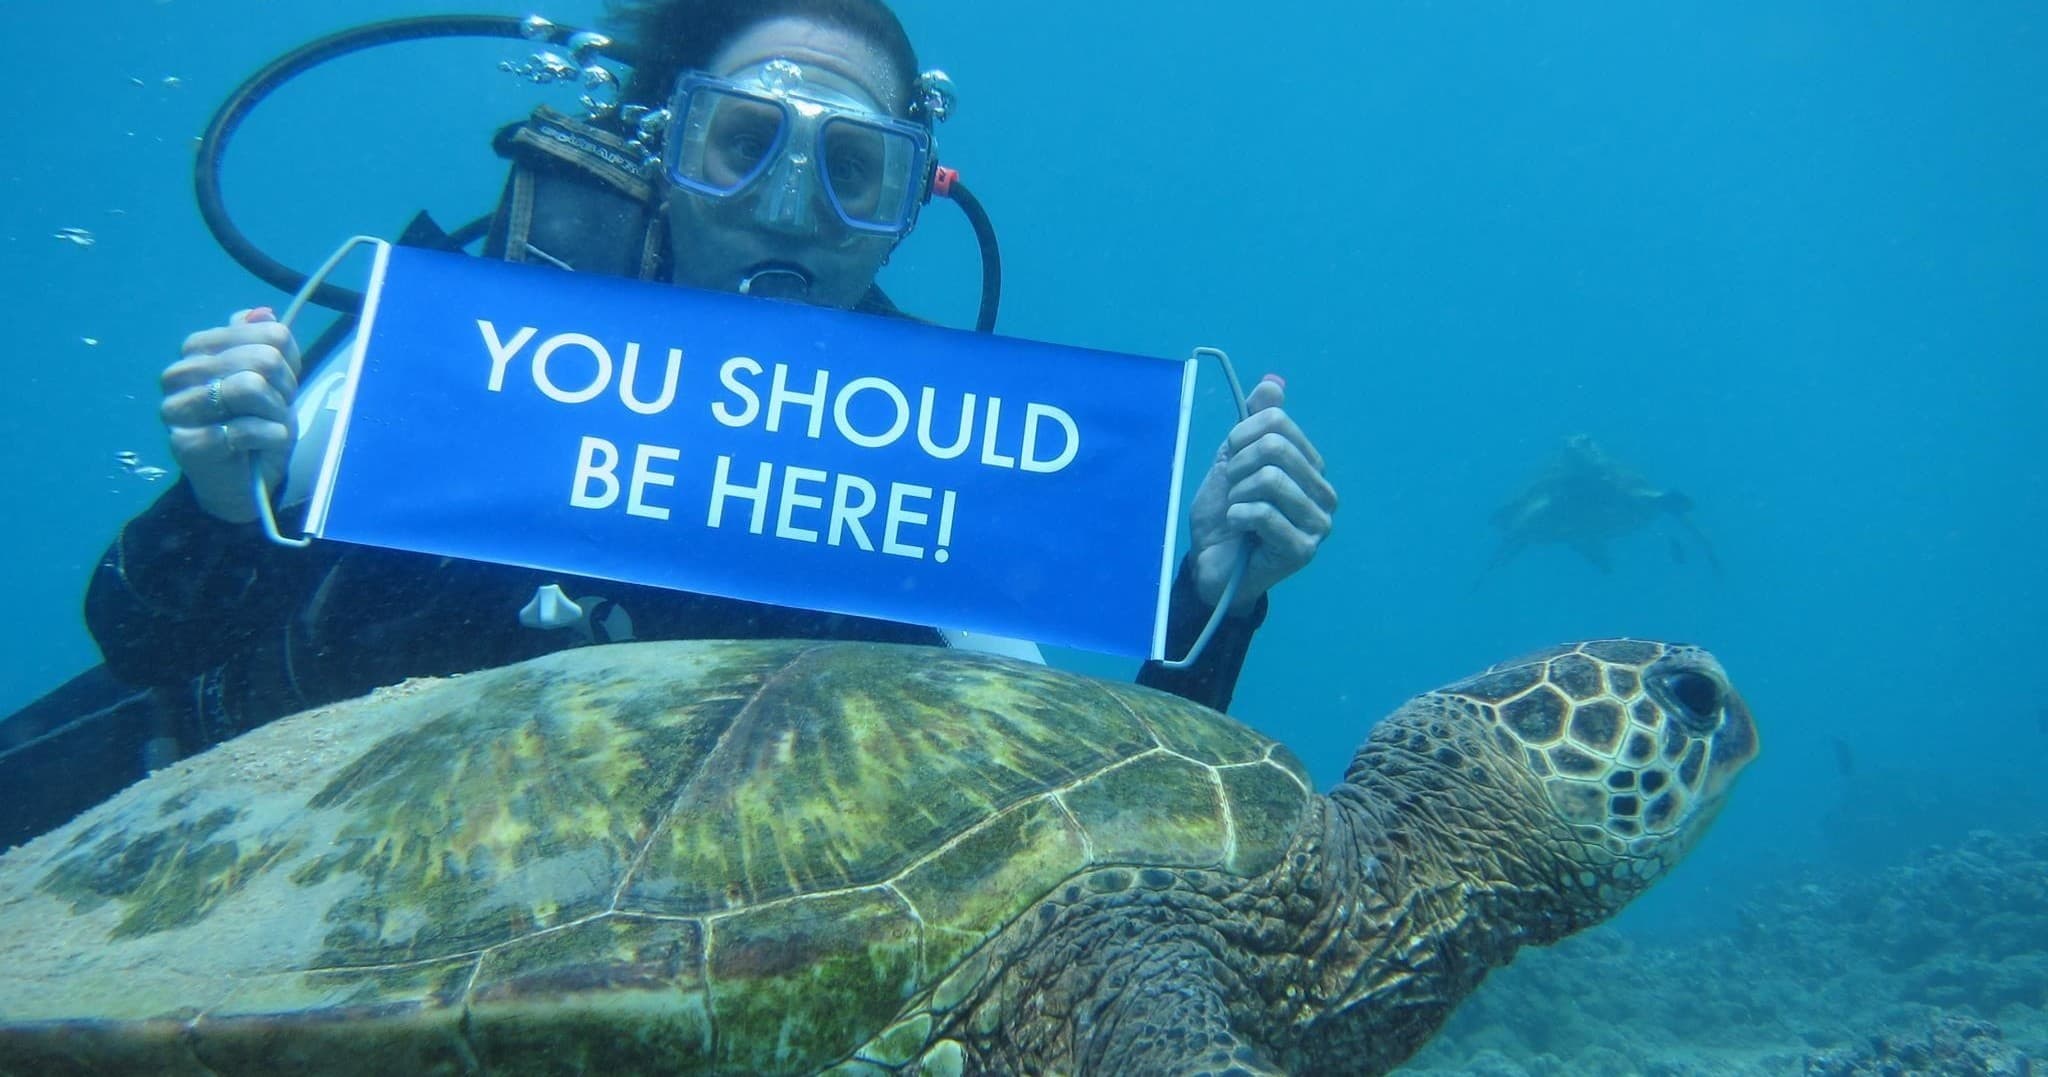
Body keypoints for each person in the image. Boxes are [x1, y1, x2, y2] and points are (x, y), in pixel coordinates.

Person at [72, 0, 1336, 806]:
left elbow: (1054, 809)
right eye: (741, 145)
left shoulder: (934, 438)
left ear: (908, 208)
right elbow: (142, 639)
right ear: (664, 155)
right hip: (238, 817)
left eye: (850, 172)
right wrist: (219, 499)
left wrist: (1213, 598)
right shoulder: (492, 316)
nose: (789, 208)